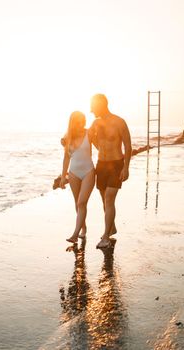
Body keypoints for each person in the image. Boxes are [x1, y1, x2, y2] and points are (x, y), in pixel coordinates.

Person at [89, 94, 132, 249]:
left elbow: (128, 145)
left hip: (116, 165)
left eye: (93, 106)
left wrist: (126, 167)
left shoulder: (119, 122)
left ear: (101, 105)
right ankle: (111, 227)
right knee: (104, 201)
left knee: (109, 199)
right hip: (101, 165)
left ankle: (106, 237)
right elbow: (88, 139)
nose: (91, 109)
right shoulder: (95, 123)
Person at [59, 111, 96, 243]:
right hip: (73, 173)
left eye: (83, 120)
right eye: (78, 121)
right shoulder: (67, 137)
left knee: (81, 202)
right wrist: (63, 177)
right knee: (77, 203)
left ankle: (75, 234)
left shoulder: (89, 133)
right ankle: (83, 228)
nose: (81, 123)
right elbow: (66, 158)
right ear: (73, 122)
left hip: (88, 172)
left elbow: (100, 146)